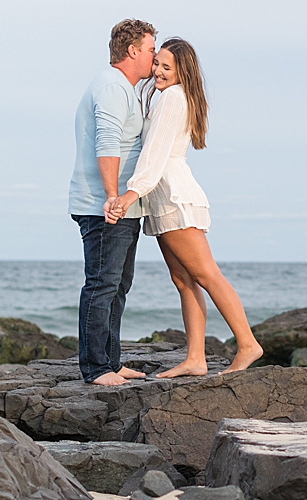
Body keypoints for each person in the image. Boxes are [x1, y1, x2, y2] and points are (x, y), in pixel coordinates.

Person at [103, 37, 263, 374]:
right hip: (163, 198)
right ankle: (195, 359)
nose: (158, 71)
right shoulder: (168, 97)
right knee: (183, 280)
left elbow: (156, 153)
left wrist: (130, 194)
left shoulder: (173, 99)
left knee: (206, 274)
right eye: (157, 63)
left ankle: (247, 344)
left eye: (167, 67)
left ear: (182, 72)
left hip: (174, 197)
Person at [69, 18, 157, 387]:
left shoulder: (125, 88)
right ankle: (95, 368)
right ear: (133, 50)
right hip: (104, 205)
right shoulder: (111, 87)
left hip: (120, 205)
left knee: (118, 284)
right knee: (102, 284)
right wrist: (111, 197)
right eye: (152, 50)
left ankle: (111, 360)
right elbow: (106, 143)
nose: (155, 57)